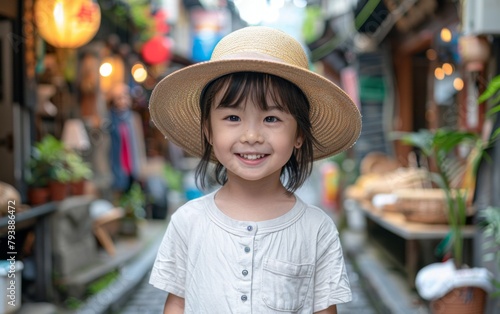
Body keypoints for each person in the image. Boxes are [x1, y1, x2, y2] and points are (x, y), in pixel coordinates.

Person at [148, 26, 362, 314]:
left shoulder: (316, 230)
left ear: (299, 134)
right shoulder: (188, 222)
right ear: (209, 130)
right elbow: (177, 303)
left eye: (271, 118)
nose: (251, 136)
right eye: (233, 117)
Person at [107, 83, 145, 194]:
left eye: (125, 96)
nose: (122, 100)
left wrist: (141, 166)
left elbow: (139, 144)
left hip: (133, 166)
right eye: (119, 97)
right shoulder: (110, 119)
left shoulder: (133, 118)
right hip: (116, 168)